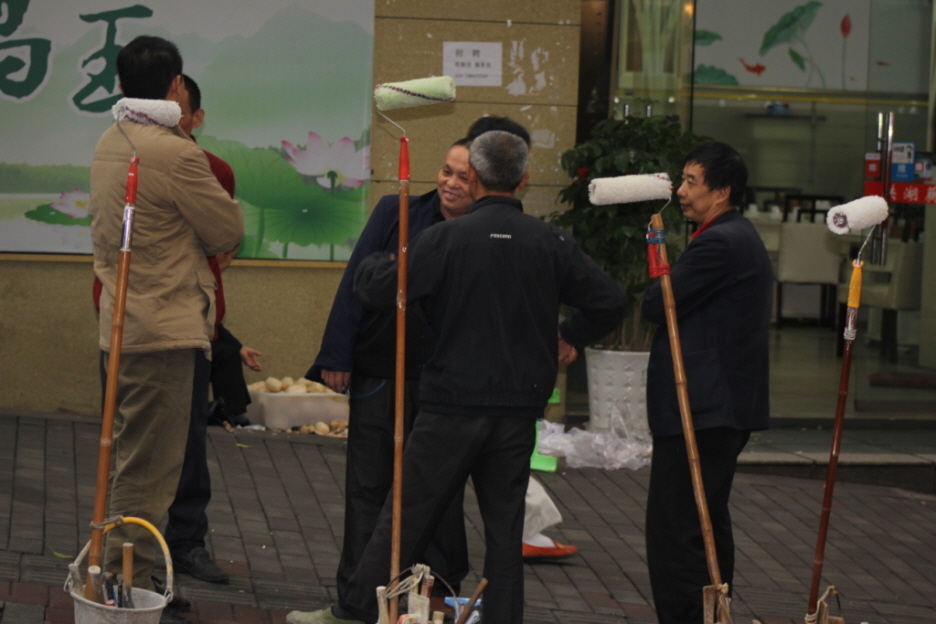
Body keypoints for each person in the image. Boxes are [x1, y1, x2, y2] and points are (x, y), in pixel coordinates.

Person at [326, 129, 625, 624]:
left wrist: (378, 259)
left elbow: (378, 288)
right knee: (505, 533)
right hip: (518, 409)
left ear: (478, 178)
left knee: (404, 514)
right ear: (523, 180)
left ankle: (354, 610)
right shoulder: (550, 242)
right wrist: (569, 333)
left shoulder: (444, 238)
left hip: (450, 407)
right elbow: (610, 300)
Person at [89, 34, 243, 619]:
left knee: (128, 456)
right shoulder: (176, 151)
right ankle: (127, 587)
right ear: (176, 87)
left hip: (123, 324)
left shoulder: (110, 138)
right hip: (164, 332)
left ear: (123, 85)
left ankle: (120, 574)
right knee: (151, 470)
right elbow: (227, 229)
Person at [300, 136, 475, 622]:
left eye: (463, 176)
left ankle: (430, 605)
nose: (450, 183)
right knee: (369, 489)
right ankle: (355, 603)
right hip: (381, 371)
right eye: (445, 170)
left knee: (437, 493)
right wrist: (338, 352)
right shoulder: (397, 210)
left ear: (482, 184)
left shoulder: (483, 231)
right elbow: (357, 279)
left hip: (446, 385)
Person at [641, 141, 771, 623]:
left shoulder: (722, 241)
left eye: (692, 182)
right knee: (705, 522)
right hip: (718, 407)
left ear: (723, 191)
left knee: (677, 530)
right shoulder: (730, 235)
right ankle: (711, 614)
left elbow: (659, 304)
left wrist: (659, 268)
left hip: (705, 408)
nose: (681, 191)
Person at [162, 74, 260, 587]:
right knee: (132, 441)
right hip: (134, 323)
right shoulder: (125, 156)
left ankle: (186, 544)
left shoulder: (213, 170)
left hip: (192, 322)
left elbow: (223, 245)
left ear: (197, 118)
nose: (168, 115)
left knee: (190, 441)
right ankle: (127, 548)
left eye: (177, 108)